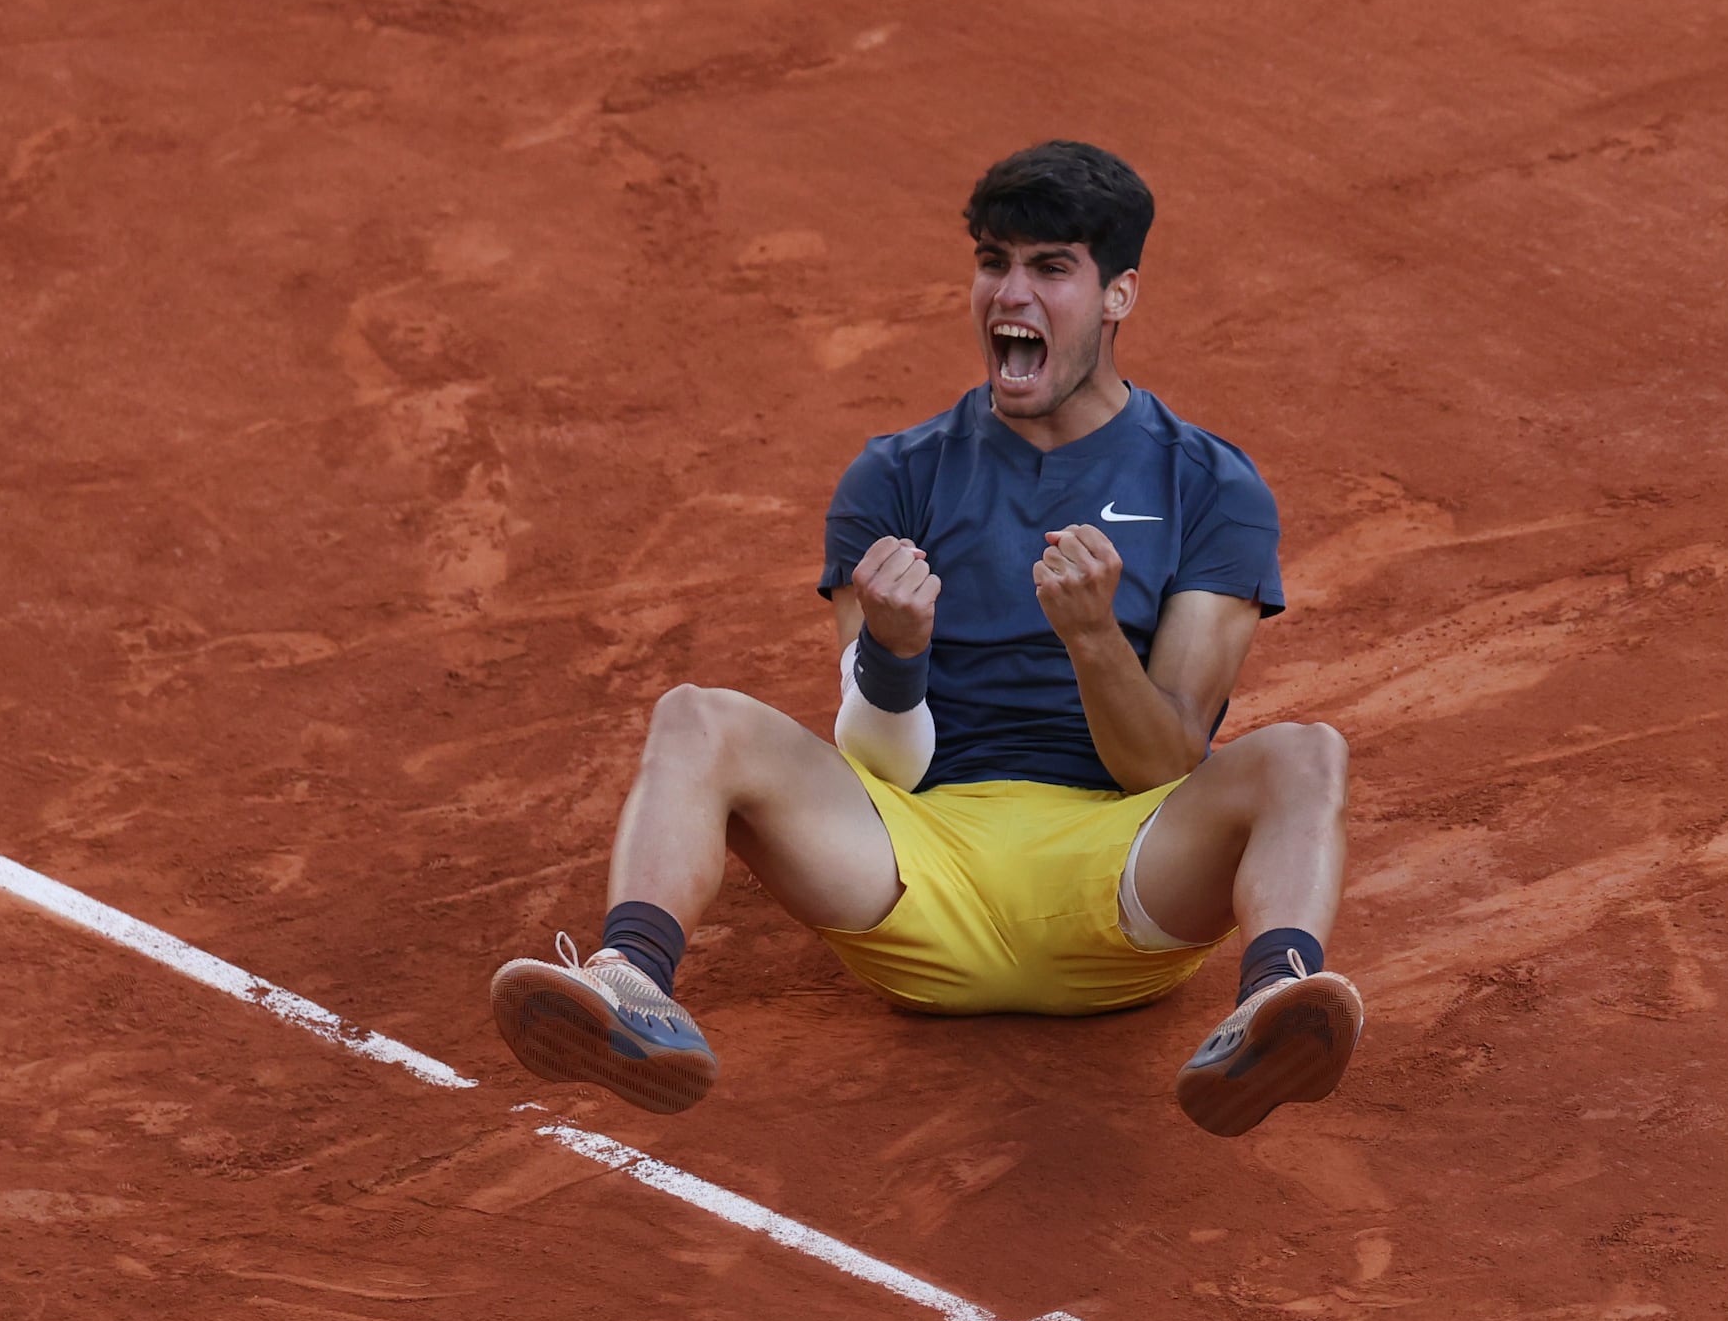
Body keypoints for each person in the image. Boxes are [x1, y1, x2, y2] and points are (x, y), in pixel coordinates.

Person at [490, 140, 1361, 1137]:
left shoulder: (1209, 486)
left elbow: (1161, 763)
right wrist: (896, 655)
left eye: (1049, 268)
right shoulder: (893, 477)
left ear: (1118, 295)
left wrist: (1091, 639)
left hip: (1126, 886)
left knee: (1305, 755)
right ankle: (629, 983)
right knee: (697, 719)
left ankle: (1271, 1000)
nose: (1010, 295)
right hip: (914, 872)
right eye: (994, 262)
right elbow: (880, 763)